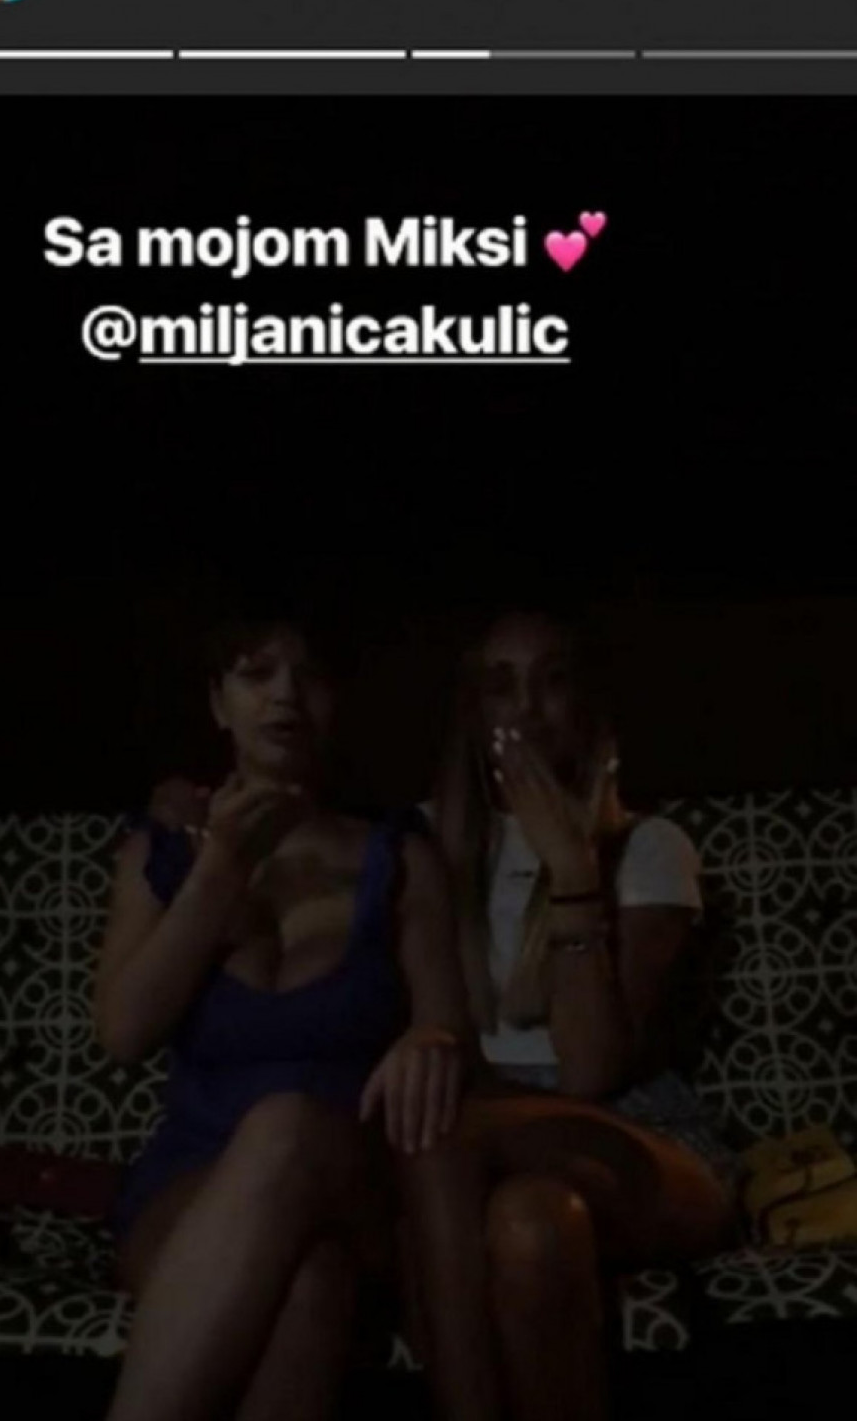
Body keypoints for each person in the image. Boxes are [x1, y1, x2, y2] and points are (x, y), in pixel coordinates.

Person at [95, 611, 469, 1421]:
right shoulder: (160, 851)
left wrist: (430, 1038)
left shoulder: (397, 855)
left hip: (354, 1171)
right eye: (256, 674)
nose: (286, 696)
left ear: (337, 701)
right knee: (309, 1288)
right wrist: (221, 868)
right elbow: (123, 1033)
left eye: (310, 676)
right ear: (218, 703)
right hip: (191, 1177)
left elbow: (446, 1028)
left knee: (286, 1126)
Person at [399, 608, 740, 1421]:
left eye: (551, 682)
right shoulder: (423, 843)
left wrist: (572, 868)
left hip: (633, 1131)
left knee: (439, 1129)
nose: (526, 708)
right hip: (480, 1150)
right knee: (531, 1224)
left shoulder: (648, 846)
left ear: (586, 702)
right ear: (473, 710)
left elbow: (590, 1073)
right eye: (501, 686)